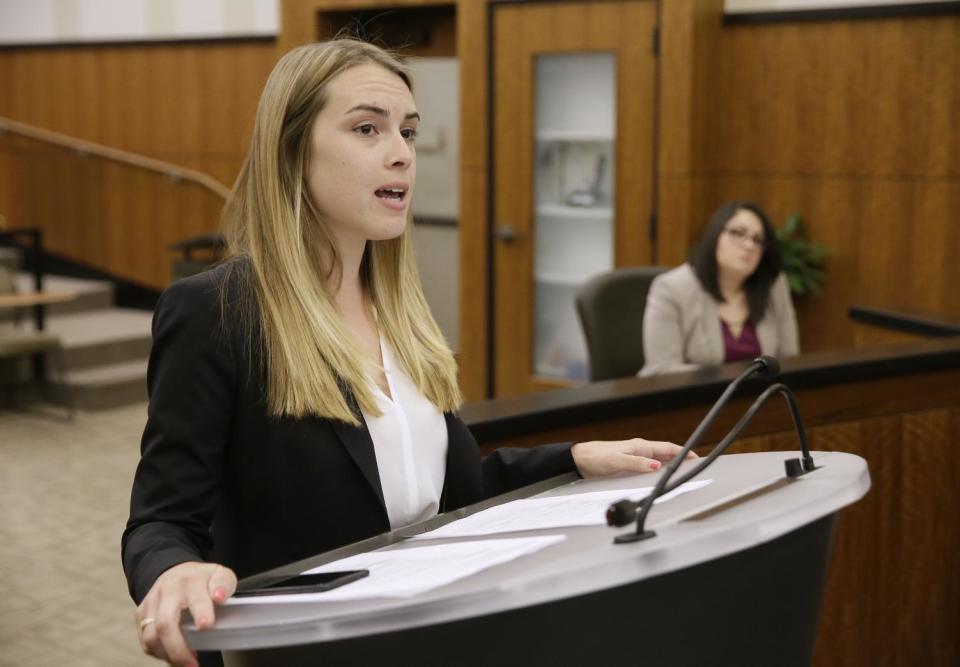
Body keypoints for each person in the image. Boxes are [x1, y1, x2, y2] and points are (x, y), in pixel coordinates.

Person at [121, 40, 691, 667]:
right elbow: (161, 521)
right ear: (291, 151)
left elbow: (438, 496)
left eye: (409, 132)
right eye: (368, 128)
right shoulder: (216, 313)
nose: (401, 154)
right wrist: (172, 572)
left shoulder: (403, 312)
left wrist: (574, 460)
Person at [639, 201, 799, 376]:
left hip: (762, 400)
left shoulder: (773, 287)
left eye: (758, 240)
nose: (749, 245)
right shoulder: (671, 288)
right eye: (738, 233)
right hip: (696, 401)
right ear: (715, 235)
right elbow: (662, 370)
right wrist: (732, 379)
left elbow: (789, 362)